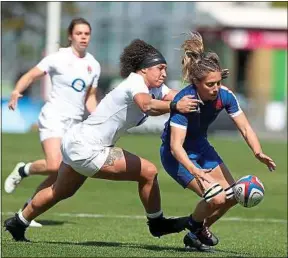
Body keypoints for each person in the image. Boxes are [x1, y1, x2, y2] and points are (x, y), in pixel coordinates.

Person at [4, 38, 202, 242]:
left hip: (77, 140)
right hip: (89, 148)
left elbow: (174, 95)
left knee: (60, 191)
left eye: (165, 69)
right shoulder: (135, 82)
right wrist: (176, 107)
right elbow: (147, 106)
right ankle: (157, 223)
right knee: (148, 172)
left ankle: (18, 222)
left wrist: (203, 91)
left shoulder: (154, 87)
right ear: (143, 69)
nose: (164, 74)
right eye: (160, 68)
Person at [160, 31, 276, 251]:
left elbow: (244, 127)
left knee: (233, 195)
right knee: (217, 197)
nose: (215, 88)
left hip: (201, 148)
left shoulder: (225, 95)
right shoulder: (185, 101)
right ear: (196, 82)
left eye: (218, 82)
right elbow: (175, 146)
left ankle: (196, 233)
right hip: (176, 156)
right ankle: (192, 226)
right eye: (210, 84)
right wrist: (195, 171)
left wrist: (257, 152)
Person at [4, 18, 101, 227]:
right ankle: (23, 169)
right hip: (54, 117)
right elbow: (31, 75)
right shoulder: (58, 58)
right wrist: (16, 91)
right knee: (54, 164)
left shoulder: (94, 65)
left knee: (62, 172)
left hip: (75, 124)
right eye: (79, 33)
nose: (83, 37)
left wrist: (99, 116)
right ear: (70, 36)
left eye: (87, 33)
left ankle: (27, 210)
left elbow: (90, 98)